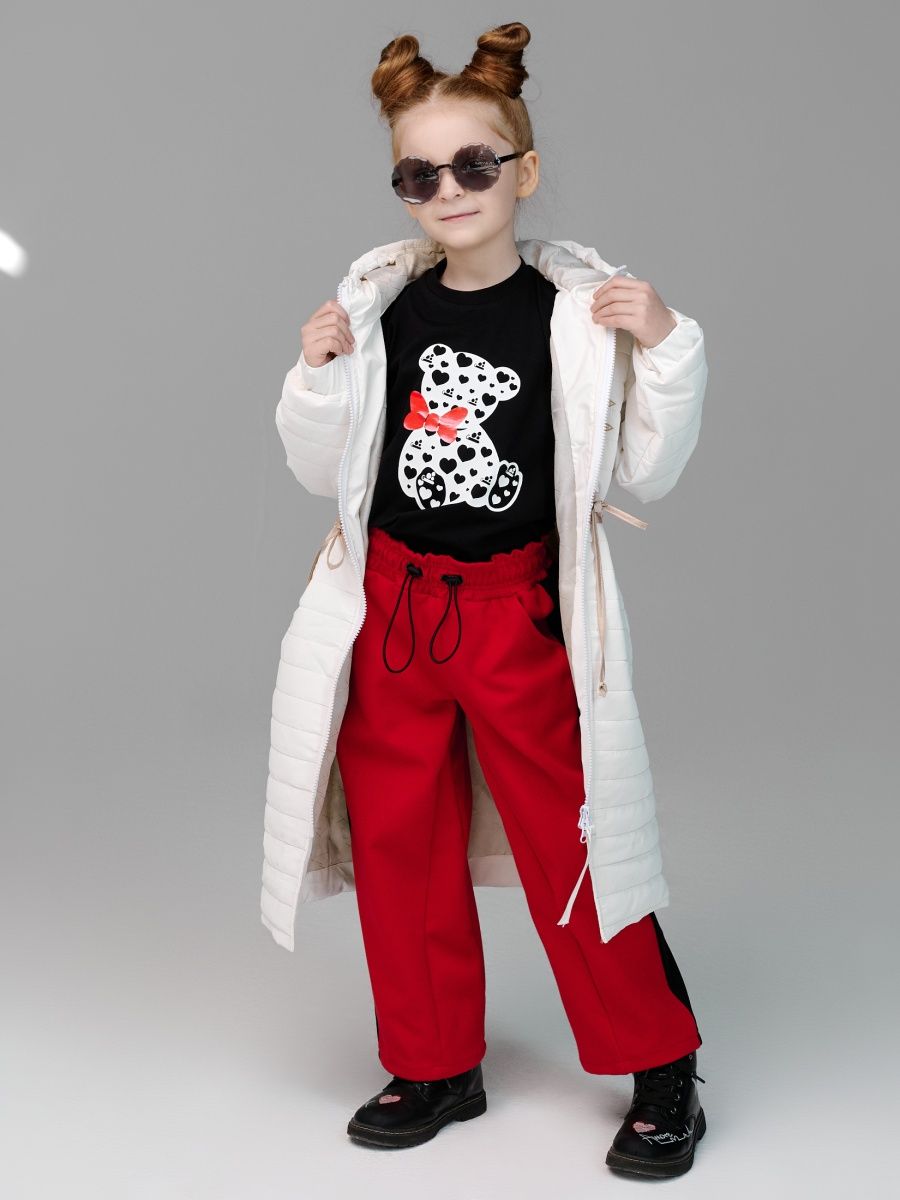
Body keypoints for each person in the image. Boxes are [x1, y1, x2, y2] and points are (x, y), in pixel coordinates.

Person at [263, 20, 709, 1180]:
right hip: (393, 612)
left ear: (526, 170)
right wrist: (317, 374)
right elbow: (321, 469)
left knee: (577, 839)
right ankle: (432, 1064)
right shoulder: (379, 310)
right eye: (420, 175)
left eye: (474, 164)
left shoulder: (572, 314)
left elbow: (648, 466)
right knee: (398, 842)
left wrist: (665, 344)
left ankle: (661, 1061)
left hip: (515, 613)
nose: (449, 191)